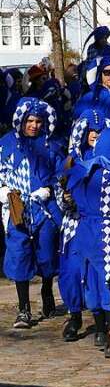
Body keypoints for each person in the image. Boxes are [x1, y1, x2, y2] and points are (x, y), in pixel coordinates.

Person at [64, 128, 110, 353]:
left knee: (91, 279)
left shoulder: (81, 170)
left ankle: (98, 330)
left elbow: (67, 202)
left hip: (83, 231)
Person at [0, 98, 62, 327]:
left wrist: (48, 189)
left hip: (43, 210)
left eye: (38, 121)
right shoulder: (6, 144)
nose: (34, 125)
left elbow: (61, 176)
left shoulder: (51, 146)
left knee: (46, 254)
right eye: (30, 121)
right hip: (16, 210)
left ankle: (47, 290)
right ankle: (24, 308)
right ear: (22, 121)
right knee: (18, 254)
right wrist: (4, 190)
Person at [59, 110, 110, 340]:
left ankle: (102, 325)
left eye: (100, 131)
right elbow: (60, 192)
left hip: (100, 226)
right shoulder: (72, 161)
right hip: (75, 224)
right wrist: (67, 199)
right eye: (91, 130)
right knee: (71, 270)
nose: (95, 134)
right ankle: (74, 317)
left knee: (98, 273)